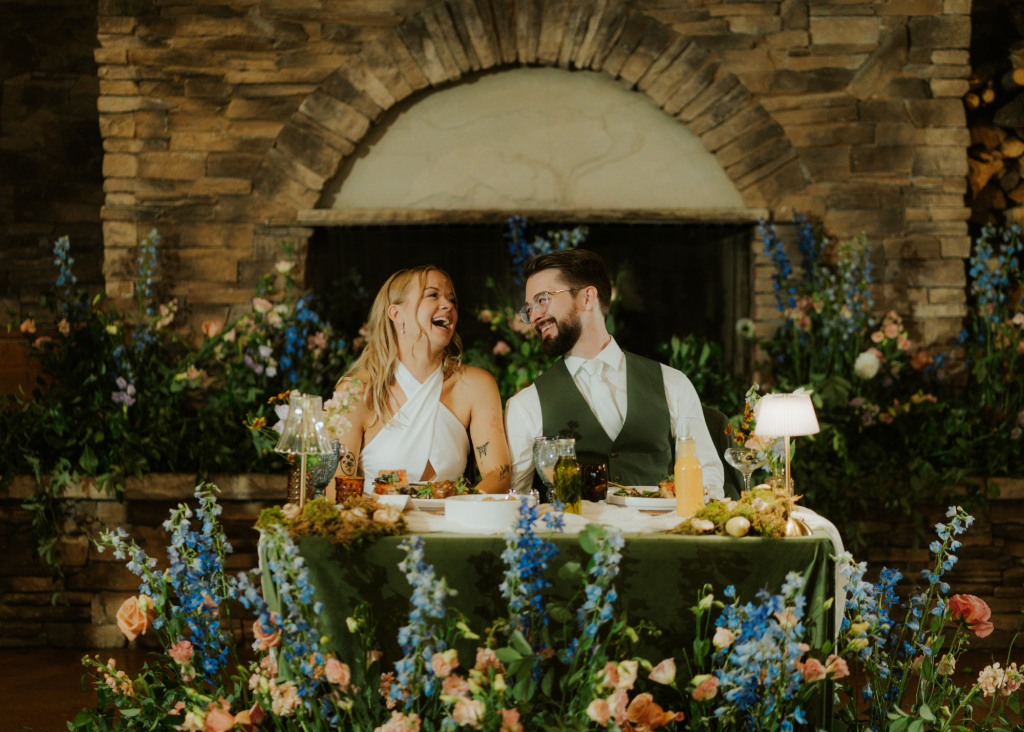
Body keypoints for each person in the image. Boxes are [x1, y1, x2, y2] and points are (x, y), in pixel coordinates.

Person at [505, 249, 724, 499]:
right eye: (529, 308)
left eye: (542, 300)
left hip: (662, 534)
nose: (534, 316)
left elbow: (707, 476)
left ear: (587, 298)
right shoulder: (526, 405)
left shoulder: (672, 383)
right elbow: (516, 498)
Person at [334, 266, 512, 494]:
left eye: (451, 299)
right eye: (432, 295)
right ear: (396, 314)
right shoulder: (356, 391)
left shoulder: (476, 385)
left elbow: (498, 474)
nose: (449, 305)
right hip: (379, 523)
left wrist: (464, 510)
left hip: (454, 523)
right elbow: (336, 488)